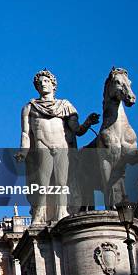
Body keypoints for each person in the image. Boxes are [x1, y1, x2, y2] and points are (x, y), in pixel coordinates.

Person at [15, 69, 98, 224]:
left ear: (53, 85)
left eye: (46, 81)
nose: (42, 84)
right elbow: (26, 133)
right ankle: (39, 214)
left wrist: (87, 122)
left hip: (62, 146)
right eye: (39, 83)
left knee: (62, 182)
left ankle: (62, 211)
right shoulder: (29, 107)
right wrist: (23, 151)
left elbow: (76, 130)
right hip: (42, 146)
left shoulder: (65, 105)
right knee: (42, 182)